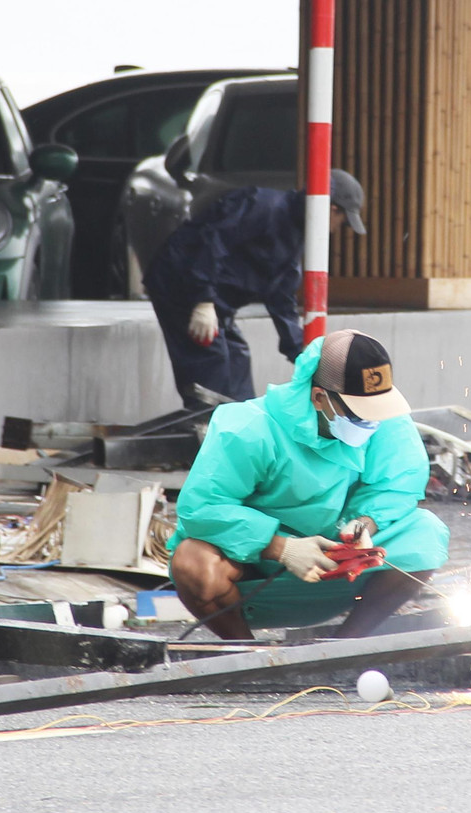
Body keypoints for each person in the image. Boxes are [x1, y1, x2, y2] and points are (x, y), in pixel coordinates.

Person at [167, 328, 448, 640]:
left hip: (340, 566)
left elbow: (397, 484)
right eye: (359, 414)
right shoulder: (249, 428)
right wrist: (282, 548)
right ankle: (243, 652)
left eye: (376, 411)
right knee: (192, 562)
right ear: (319, 397)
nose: (371, 423)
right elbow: (202, 508)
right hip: (256, 574)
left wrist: (365, 523)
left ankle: (347, 646)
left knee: (426, 534)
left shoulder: (385, 419)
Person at [144, 169, 367, 409]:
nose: (335, 229)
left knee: (237, 358)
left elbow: (282, 300)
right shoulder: (263, 206)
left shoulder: (294, 238)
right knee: (211, 363)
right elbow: (211, 242)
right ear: (332, 209)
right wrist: (203, 300)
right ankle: (209, 430)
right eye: (341, 221)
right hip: (181, 285)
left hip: (215, 301)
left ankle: (242, 427)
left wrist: (307, 362)